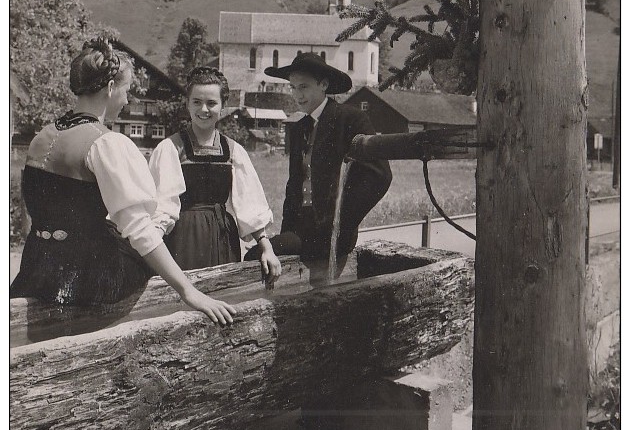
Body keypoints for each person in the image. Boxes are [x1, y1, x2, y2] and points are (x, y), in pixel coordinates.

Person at [10, 40, 236, 325]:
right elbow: (139, 229)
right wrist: (190, 293)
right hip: (87, 277)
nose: (128, 101)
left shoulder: (44, 135)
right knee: (144, 254)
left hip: (38, 265)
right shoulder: (106, 143)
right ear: (109, 89)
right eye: (127, 90)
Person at [148, 67, 282, 287]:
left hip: (223, 236)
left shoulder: (233, 150)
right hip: (183, 237)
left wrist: (266, 247)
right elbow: (160, 207)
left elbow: (250, 205)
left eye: (211, 103)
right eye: (197, 102)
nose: (204, 109)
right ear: (187, 104)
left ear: (223, 106)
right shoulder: (171, 148)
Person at [263, 52, 392, 274]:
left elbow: (380, 175)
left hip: (333, 234)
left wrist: (341, 221)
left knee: (258, 256)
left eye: (303, 87)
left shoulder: (350, 120)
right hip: (300, 231)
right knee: (264, 256)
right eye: (292, 88)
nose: (297, 95)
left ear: (323, 84)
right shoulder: (299, 129)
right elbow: (294, 184)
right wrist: (287, 231)